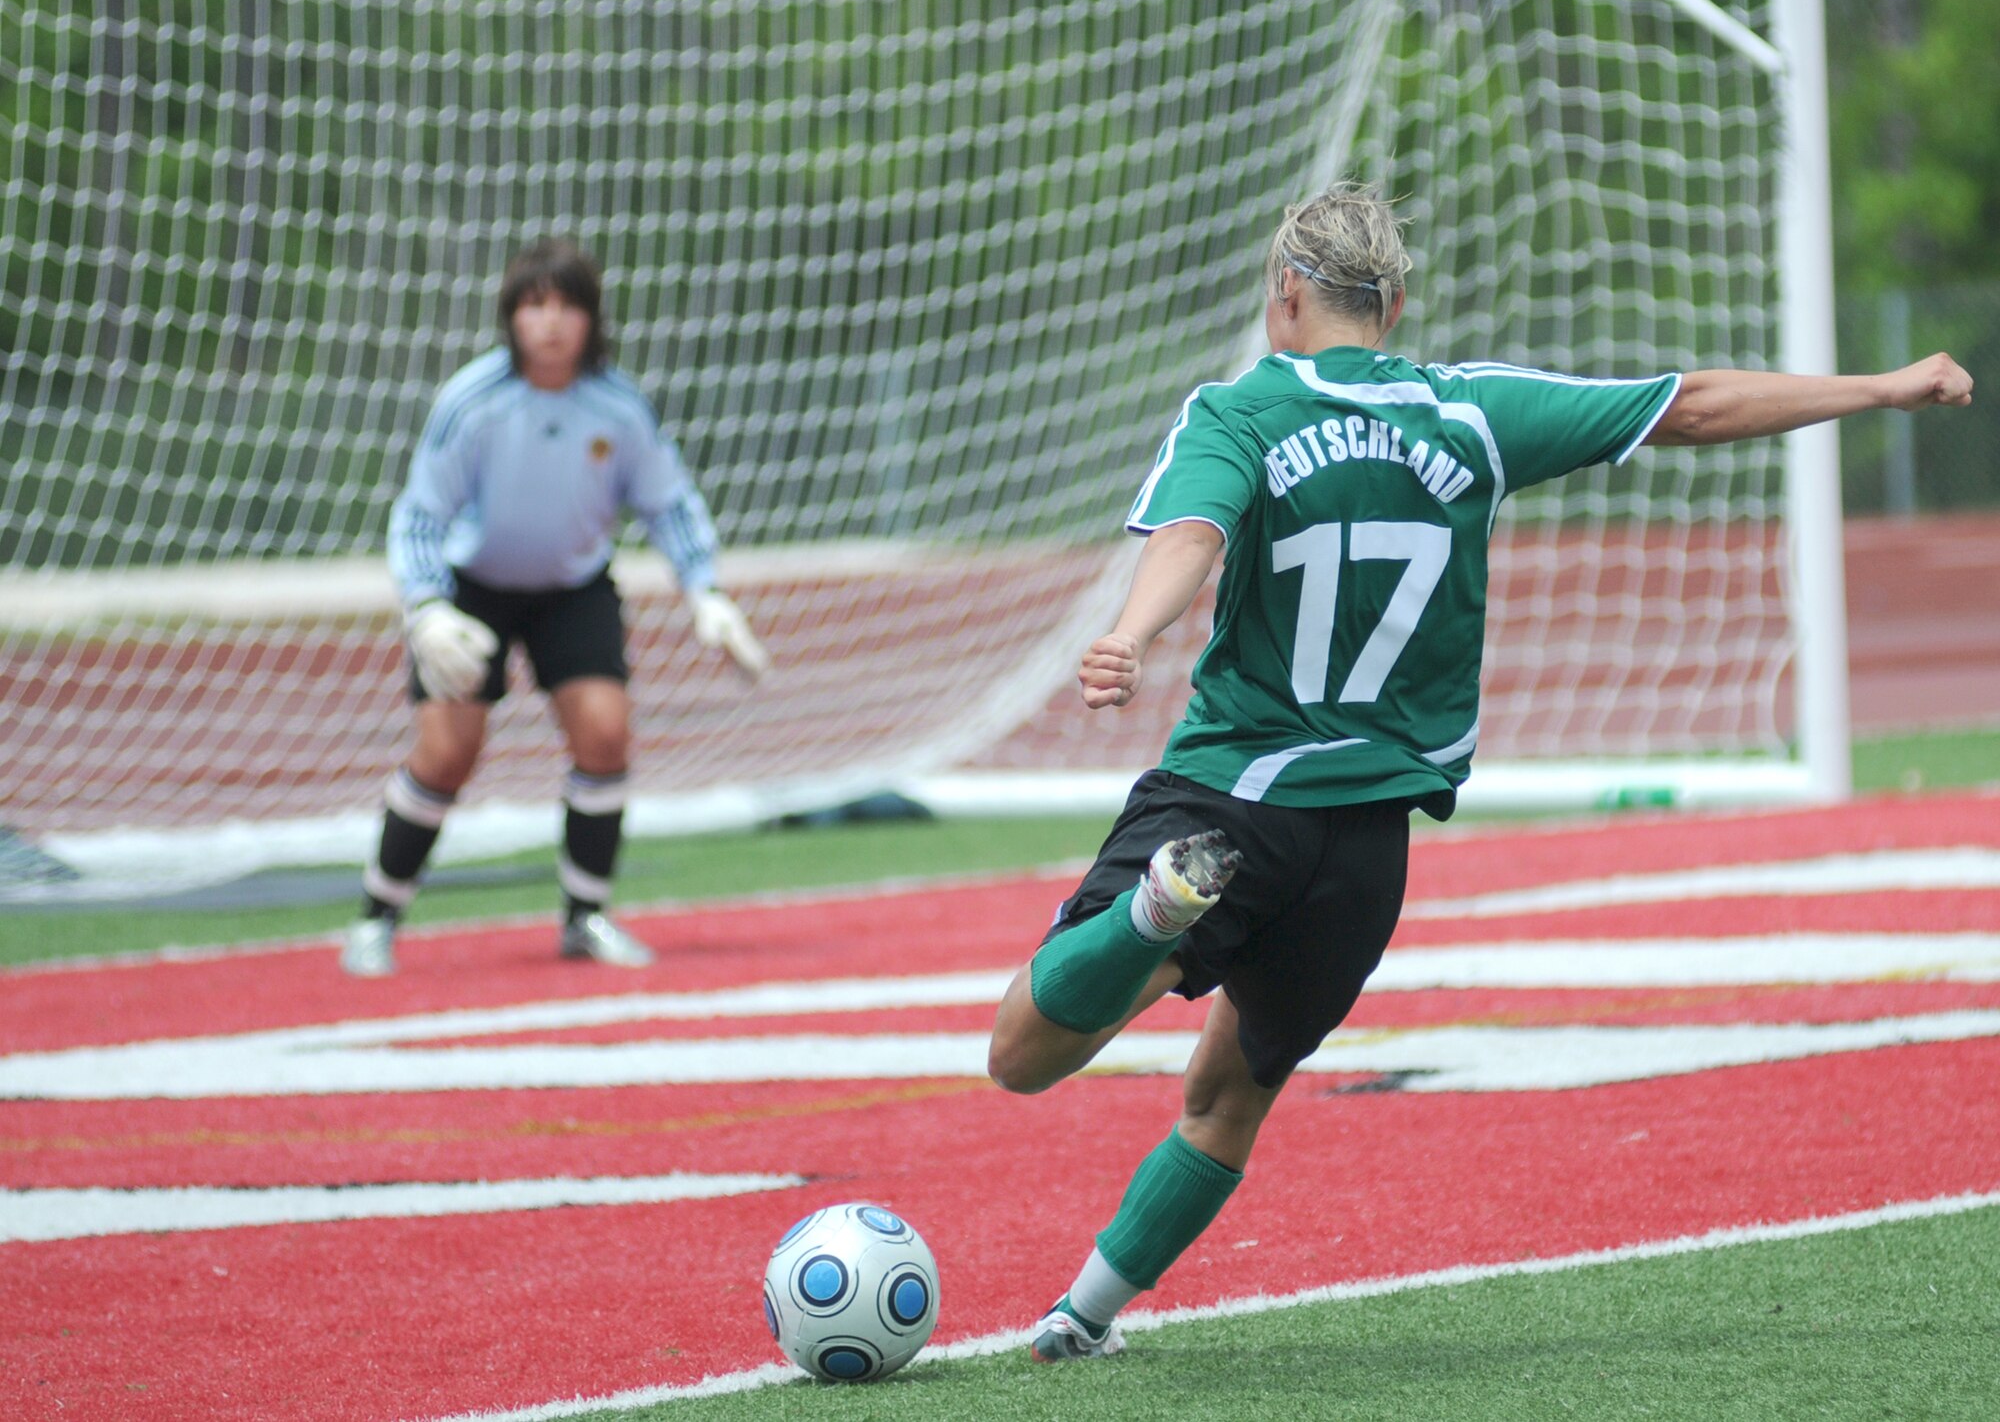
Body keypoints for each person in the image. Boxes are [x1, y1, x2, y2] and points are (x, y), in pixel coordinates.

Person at [986, 183, 1973, 1361]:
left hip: (1231, 801)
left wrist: (1132, 633)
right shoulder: (1468, 414)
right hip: (1361, 850)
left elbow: (1192, 532)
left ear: (1283, 292)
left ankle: (1151, 914)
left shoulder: (1240, 409)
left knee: (1023, 1053)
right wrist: (1879, 386)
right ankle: (1082, 1316)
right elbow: (1688, 404)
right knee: (1226, 1099)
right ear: (1394, 303)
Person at [340, 237, 768, 977]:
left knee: (606, 733)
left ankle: (586, 917)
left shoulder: (618, 406)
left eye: (568, 305)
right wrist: (426, 608)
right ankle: (376, 919)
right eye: (535, 305)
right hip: (471, 592)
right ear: (511, 316)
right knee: (447, 753)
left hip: (573, 587)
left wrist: (706, 590)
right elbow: (420, 514)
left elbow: (667, 502)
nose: (551, 322)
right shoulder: (473, 401)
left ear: (591, 318)